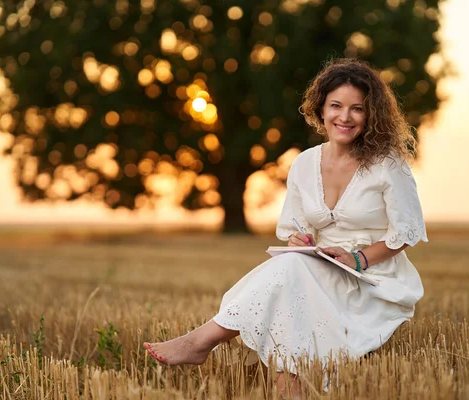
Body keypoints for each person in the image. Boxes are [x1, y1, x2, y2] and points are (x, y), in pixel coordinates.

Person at [143, 58, 427, 397]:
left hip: (373, 278)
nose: (345, 117)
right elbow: (296, 226)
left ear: (372, 115)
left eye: (357, 109)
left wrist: (357, 260)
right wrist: (300, 240)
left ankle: (202, 340)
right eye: (336, 105)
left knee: (290, 272)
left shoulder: (388, 165)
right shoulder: (305, 162)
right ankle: (287, 390)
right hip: (319, 267)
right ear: (321, 109)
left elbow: (406, 233)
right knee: (291, 268)